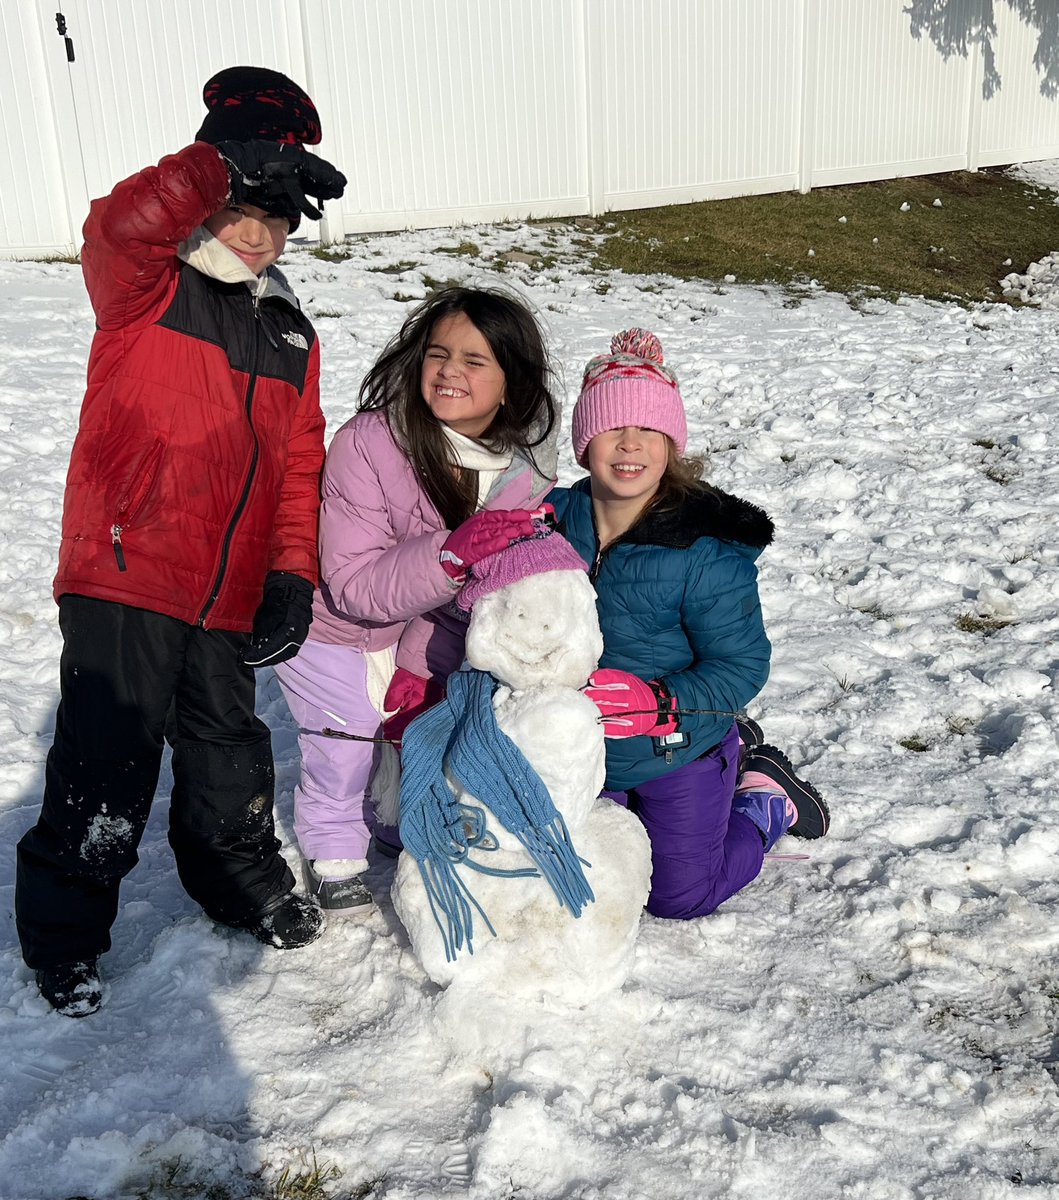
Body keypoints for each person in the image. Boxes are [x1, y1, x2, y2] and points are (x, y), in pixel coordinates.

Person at [15, 66, 348, 1016]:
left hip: (231, 586)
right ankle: (65, 939)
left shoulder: (289, 331)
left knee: (228, 752)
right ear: (209, 202)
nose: (257, 232)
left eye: (276, 219)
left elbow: (297, 466)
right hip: (128, 569)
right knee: (106, 764)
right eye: (244, 207)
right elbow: (123, 222)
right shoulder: (144, 285)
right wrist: (220, 161)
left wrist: (289, 572)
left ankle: (240, 883)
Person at [272, 286, 559, 913]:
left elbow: (478, 597)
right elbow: (350, 582)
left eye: (475, 361)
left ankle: (391, 818)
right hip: (333, 625)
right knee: (345, 738)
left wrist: (418, 659)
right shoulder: (373, 441)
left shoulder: (525, 471)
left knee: (419, 741)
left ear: (511, 381)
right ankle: (332, 852)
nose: (451, 371)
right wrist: (451, 554)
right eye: (438, 354)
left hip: (421, 623)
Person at [547, 328, 830, 921]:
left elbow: (742, 664)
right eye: (612, 428)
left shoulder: (702, 550)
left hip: (679, 746)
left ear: (671, 443)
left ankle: (761, 797)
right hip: (581, 748)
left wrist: (662, 702)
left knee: (677, 897)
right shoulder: (550, 520)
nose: (630, 445)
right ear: (583, 440)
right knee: (584, 880)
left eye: (649, 429)